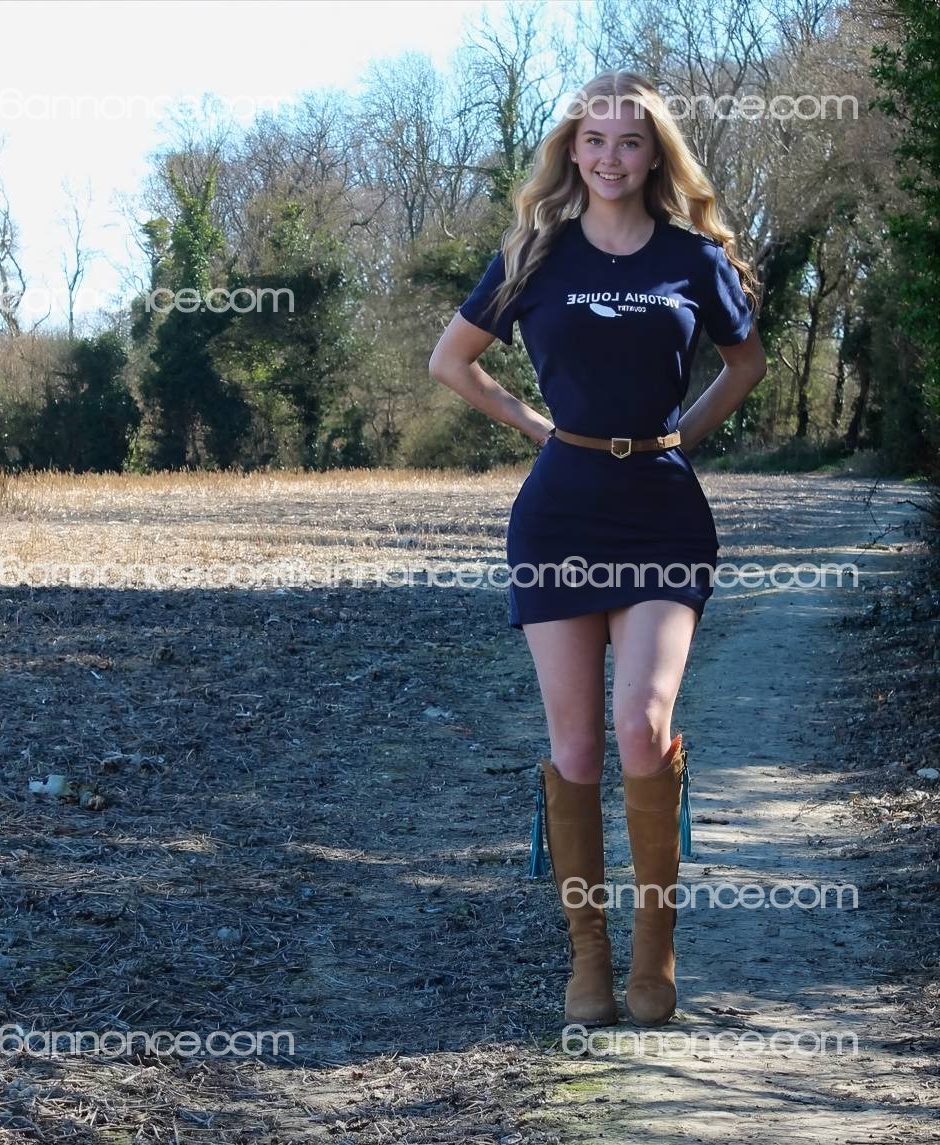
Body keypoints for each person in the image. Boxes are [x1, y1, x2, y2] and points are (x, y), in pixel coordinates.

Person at [428, 69, 767, 1027]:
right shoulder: (533, 254)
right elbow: (452, 361)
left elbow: (745, 361)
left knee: (641, 725)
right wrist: (535, 424)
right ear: (572, 152)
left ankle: (654, 953)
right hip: (560, 517)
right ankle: (589, 957)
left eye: (630, 141)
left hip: (662, 513)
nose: (610, 157)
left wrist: (684, 434)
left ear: (654, 155)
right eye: (594, 140)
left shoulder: (695, 259)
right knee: (574, 743)